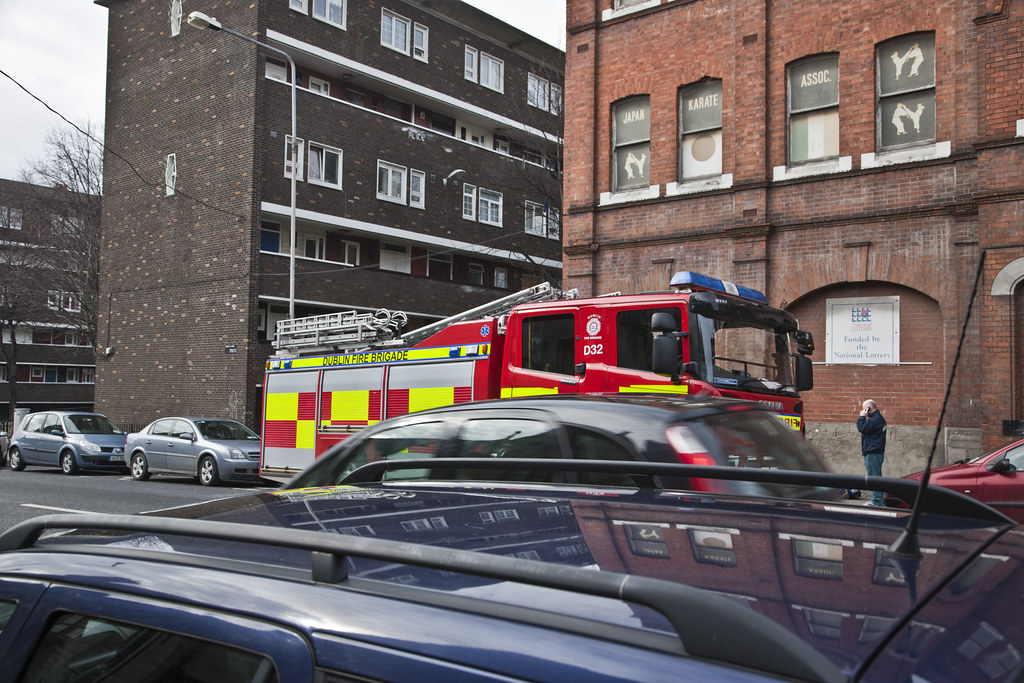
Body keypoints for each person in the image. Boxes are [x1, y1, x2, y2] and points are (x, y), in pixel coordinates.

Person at [857, 399, 887, 506]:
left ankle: (877, 501)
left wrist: (861, 416)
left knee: (874, 477)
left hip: (873, 451)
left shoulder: (875, 420)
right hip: (875, 451)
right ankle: (878, 499)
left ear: (868, 408)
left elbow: (861, 427)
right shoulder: (877, 419)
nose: (863, 411)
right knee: (875, 475)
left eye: (864, 408)